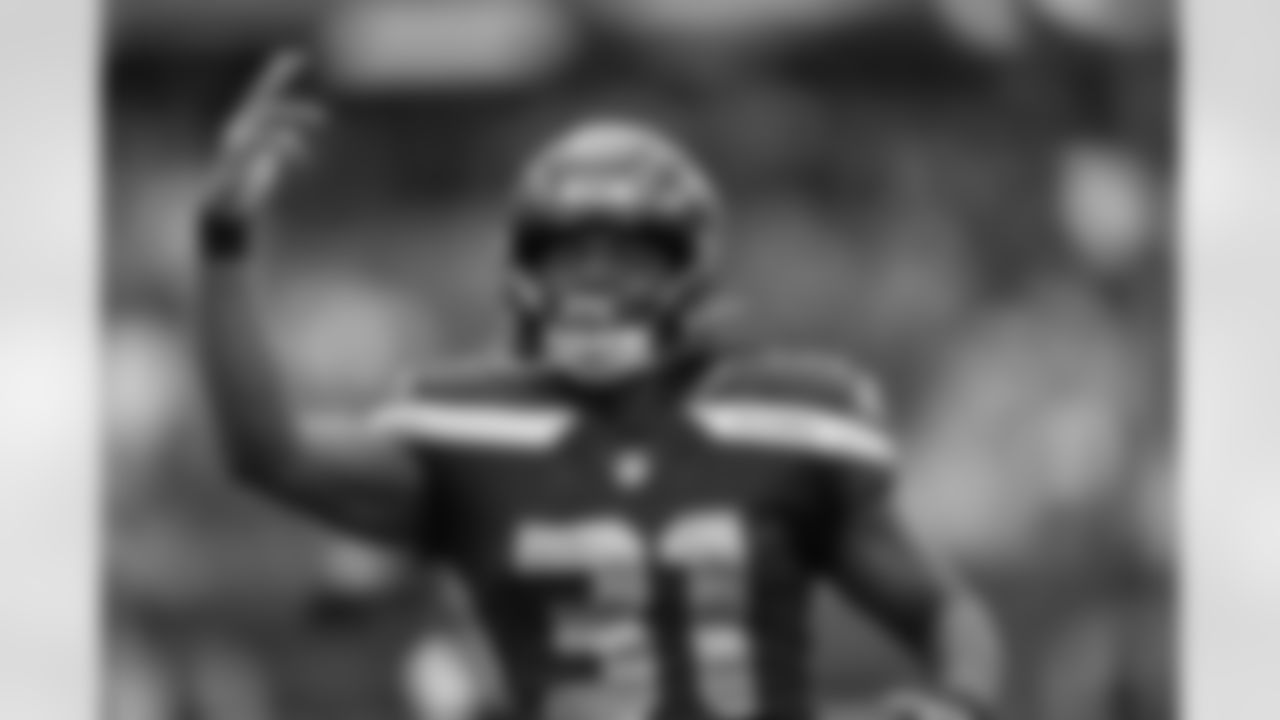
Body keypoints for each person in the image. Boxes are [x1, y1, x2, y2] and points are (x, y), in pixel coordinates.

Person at [194, 51, 1005, 720]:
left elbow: (946, 612)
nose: (594, 279)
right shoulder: (468, 430)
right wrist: (224, 241)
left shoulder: (794, 419)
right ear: (525, 271)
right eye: (569, 255)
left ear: (690, 268)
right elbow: (266, 451)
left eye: (627, 255)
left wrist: (958, 703)